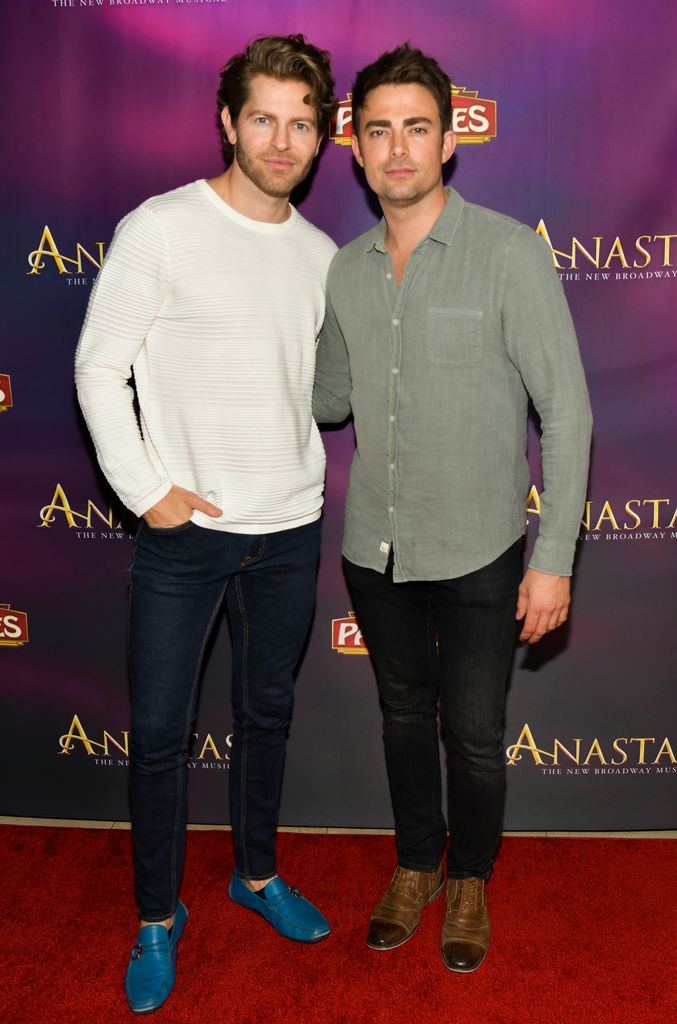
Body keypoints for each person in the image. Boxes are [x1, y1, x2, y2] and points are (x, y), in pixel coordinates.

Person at [313, 44, 592, 973]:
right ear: (354, 149)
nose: (397, 150)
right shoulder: (343, 271)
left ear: (449, 141)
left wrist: (552, 557)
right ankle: (414, 865)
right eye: (379, 131)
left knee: (472, 734)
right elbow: (328, 402)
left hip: (480, 550)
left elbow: (567, 409)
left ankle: (468, 879)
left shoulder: (509, 252)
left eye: (416, 129)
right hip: (375, 549)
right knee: (401, 718)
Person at [75, 35, 338, 1014]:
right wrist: (145, 489)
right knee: (157, 733)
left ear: (320, 137)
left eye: (301, 122)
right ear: (228, 121)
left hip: (289, 528)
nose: (281, 138)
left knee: (266, 713)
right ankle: (156, 914)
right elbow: (101, 365)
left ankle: (255, 874)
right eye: (262, 117)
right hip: (181, 539)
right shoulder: (160, 228)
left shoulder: (318, 256)